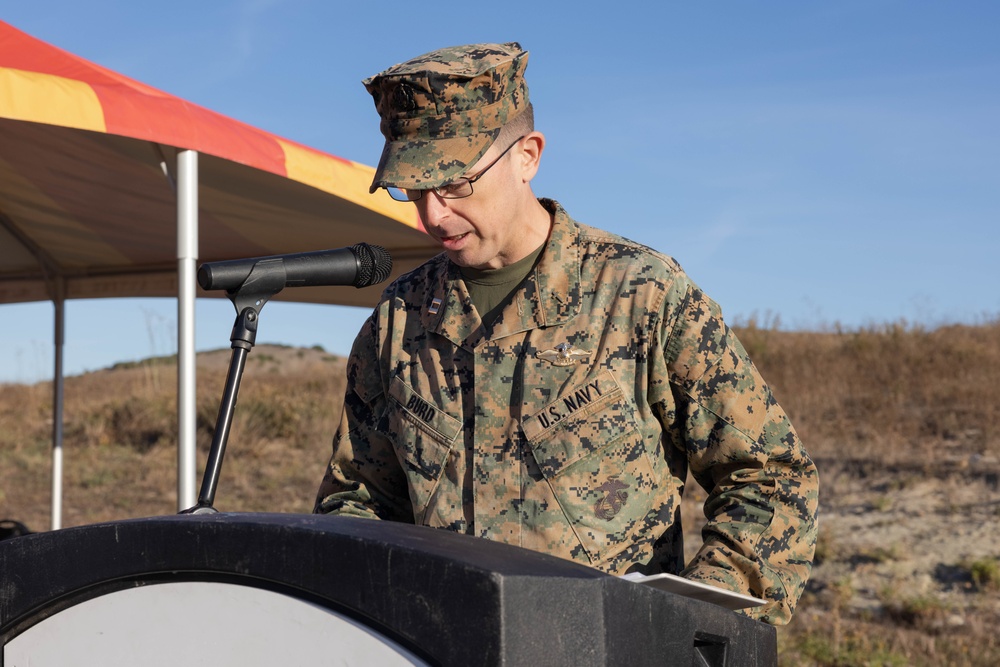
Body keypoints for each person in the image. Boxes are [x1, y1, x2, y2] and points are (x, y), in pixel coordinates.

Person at [315, 42, 819, 625]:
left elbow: (769, 479)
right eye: (413, 190)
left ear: (527, 156)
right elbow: (358, 503)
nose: (433, 216)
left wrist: (687, 624)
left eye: (454, 184)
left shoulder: (640, 294)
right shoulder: (398, 322)